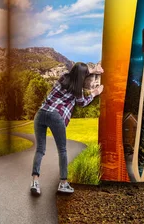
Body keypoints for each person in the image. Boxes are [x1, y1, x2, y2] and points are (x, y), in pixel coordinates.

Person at [30, 62, 104, 196]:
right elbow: (82, 103)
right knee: (62, 151)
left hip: (40, 114)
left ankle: (35, 182)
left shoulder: (63, 77)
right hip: (56, 116)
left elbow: (82, 71)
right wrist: (94, 93)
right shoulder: (77, 89)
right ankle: (63, 184)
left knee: (40, 149)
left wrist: (95, 70)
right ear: (82, 77)